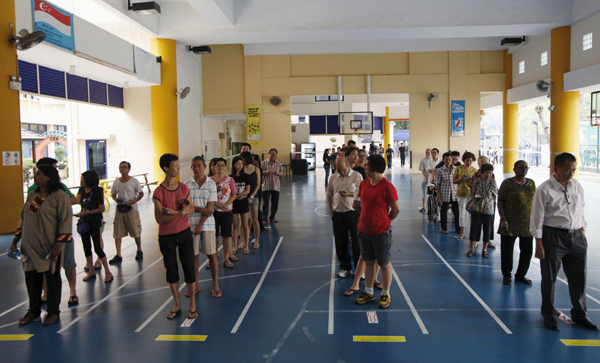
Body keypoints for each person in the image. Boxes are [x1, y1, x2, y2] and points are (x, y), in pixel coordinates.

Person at [531, 153, 598, 331]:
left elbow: (580, 209)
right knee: (549, 278)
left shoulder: (576, 186)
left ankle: (580, 314)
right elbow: (537, 217)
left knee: (579, 278)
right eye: (567, 170)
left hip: (576, 236)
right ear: (556, 169)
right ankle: (549, 314)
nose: (571, 173)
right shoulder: (544, 189)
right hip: (553, 237)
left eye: (574, 170)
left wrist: (582, 229)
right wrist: (539, 243)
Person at [11, 165, 72, 326]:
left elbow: (66, 222)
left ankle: (53, 311)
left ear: (48, 177)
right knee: (31, 280)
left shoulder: (60, 197)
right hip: (28, 246)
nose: (35, 177)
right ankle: (33, 311)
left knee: (51, 279)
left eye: (38, 174)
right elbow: (24, 218)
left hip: (48, 247)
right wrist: (15, 240)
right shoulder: (33, 195)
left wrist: (58, 246)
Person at [27, 157, 79, 307]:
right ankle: (46, 293)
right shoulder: (33, 191)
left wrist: (57, 203)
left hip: (63, 235)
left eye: (38, 174)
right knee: (45, 266)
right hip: (43, 237)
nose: (35, 176)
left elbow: (73, 201)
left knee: (69, 263)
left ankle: (72, 292)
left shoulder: (61, 190)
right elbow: (28, 214)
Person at [153, 153, 197, 320]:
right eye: (176, 165)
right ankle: (177, 305)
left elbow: (190, 209)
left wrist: (178, 213)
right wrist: (180, 213)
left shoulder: (183, 188)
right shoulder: (158, 192)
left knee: (189, 269)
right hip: (166, 236)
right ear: (166, 168)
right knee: (171, 270)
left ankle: (192, 304)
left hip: (184, 233)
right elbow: (159, 218)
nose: (178, 168)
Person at [353, 155, 400, 309]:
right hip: (364, 230)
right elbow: (357, 205)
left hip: (381, 233)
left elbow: (396, 209)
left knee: (384, 263)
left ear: (374, 168)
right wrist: (365, 217)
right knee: (368, 262)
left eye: (367, 166)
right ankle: (369, 292)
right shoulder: (364, 184)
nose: (364, 167)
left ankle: (385, 293)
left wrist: (386, 221)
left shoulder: (387, 186)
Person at [184, 156, 221, 298]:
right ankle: (195, 285)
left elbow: (210, 209)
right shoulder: (186, 185)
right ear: (191, 168)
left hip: (208, 226)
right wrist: (201, 209)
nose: (197, 168)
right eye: (194, 166)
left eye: (199, 166)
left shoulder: (211, 184)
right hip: (190, 225)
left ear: (205, 167)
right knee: (193, 256)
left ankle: (215, 285)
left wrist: (200, 223)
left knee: (212, 255)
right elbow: (187, 207)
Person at [498, 160, 536, 285]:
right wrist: (503, 219)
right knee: (507, 251)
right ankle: (507, 275)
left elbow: (535, 203)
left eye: (526, 167)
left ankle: (521, 274)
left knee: (527, 251)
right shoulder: (507, 183)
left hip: (527, 223)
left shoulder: (531, 184)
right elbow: (501, 202)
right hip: (509, 223)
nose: (524, 169)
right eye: (520, 167)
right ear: (514, 169)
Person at [327, 156, 363, 278]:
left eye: (343, 170)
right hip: (338, 214)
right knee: (340, 242)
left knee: (357, 242)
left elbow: (362, 194)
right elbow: (329, 195)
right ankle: (345, 267)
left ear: (348, 165)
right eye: (338, 170)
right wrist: (330, 212)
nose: (341, 172)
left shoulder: (357, 176)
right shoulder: (333, 177)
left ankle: (360, 269)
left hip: (353, 214)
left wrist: (349, 194)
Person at [76, 170, 114, 283]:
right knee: (86, 247)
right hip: (83, 222)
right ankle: (91, 270)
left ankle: (108, 271)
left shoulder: (97, 191)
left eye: (83, 180)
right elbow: (77, 200)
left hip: (94, 222)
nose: (81, 182)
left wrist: (87, 213)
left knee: (97, 247)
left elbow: (101, 208)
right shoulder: (82, 190)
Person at [109, 161, 144, 264]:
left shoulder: (134, 181)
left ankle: (139, 249)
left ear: (129, 169)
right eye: (120, 167)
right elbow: (113, 194)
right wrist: (116, 200)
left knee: (135, 230)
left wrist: (134, 201)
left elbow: (141, 193)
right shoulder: (116, 182)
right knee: (117, 232)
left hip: (132, 209)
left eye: (124, 167)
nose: (122, 169)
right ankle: (118, 254)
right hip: (120, 209)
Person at [210, 158, 238, 268]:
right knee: (214, 235)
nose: (220, 167)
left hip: (227, 211)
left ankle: (226, 258)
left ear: (225, 167)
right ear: (214, 167)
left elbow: (234, 194)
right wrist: (216, 203)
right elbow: (209, 196)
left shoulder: (230, 180)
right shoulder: (210, 180)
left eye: (222, 165)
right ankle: (214, 257)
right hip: (214, 211)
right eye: (218, 165)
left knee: (227, 235)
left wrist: (226, 205)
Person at [466, 163, 497, 258]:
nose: (488, 175)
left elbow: (493, 196)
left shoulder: (493, 183)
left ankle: (484, 249)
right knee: (474, 229)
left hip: (488, 210)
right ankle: (472, 249)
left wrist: (486, 198)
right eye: (486, 172)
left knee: (487, 230)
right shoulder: (476, 181)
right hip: (477, 209)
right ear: (481, 173)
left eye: (490, 173)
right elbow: (474, 194)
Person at [453, 152, 477, 240]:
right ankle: (462, 231)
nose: (469, 162)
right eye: (467, 160)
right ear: (464, 160)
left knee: (471, 214)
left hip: (471, 194)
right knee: (462, 213)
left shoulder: (474, 170)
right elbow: (454, 181)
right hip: (461, 194)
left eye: (470, 161)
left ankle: (472, 232)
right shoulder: (458, 169)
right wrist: (461, 178)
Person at [435, 152, 460, 234]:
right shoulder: (440, 171)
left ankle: (457, 228)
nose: (448, 161)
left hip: (454, 194)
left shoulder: (456, 169)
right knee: (444, 212)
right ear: (443, 160)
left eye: (450, 159)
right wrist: (439, 197)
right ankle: (444, 228)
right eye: (446, 160)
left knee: (456, 212)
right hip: (444, 194)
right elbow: (438, 184)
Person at [231, 156, 251, 255]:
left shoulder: (246, 176)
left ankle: (246, 245)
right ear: (234, 165)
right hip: (234, 204)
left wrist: (243, 195)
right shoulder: (230, 178)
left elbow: (247, 190)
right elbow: (229, 191)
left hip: (243, 203)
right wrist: (235, 196)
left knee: (245, 224)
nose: (240, 166)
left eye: (241, 164)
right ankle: (234, 246)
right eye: (238, 163)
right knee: (235, 225)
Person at [242, 152, 262, 249]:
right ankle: (243, 241)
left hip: (254, 196)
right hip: (243, 197)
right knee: (245, 221)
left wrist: (252, 196)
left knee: (255, 219)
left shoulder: (256, 169)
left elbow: (258, 185)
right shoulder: (241, 169)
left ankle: (257, 240)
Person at [261, 148, 283, 224]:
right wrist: (265, 172)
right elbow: (260, 173)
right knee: (265, 204)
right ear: (268, 154)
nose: (273, 157)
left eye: (274, 155)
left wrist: (278, 173)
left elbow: (281, 173)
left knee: (275, 203)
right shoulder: (263, 163)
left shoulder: (278, 164)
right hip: (266, 185)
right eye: (272, 155)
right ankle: (264, 219)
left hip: (275, 186)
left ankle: (272, 217)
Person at [418, 148, 432, 212]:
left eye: (428, 152)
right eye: (426, 152)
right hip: (425, 180)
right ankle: (424, 206)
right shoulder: (423, 160)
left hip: (432, 180)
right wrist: (427, 177)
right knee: (424, 193)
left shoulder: (432, 161)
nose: (427, 154)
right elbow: (422, 170)